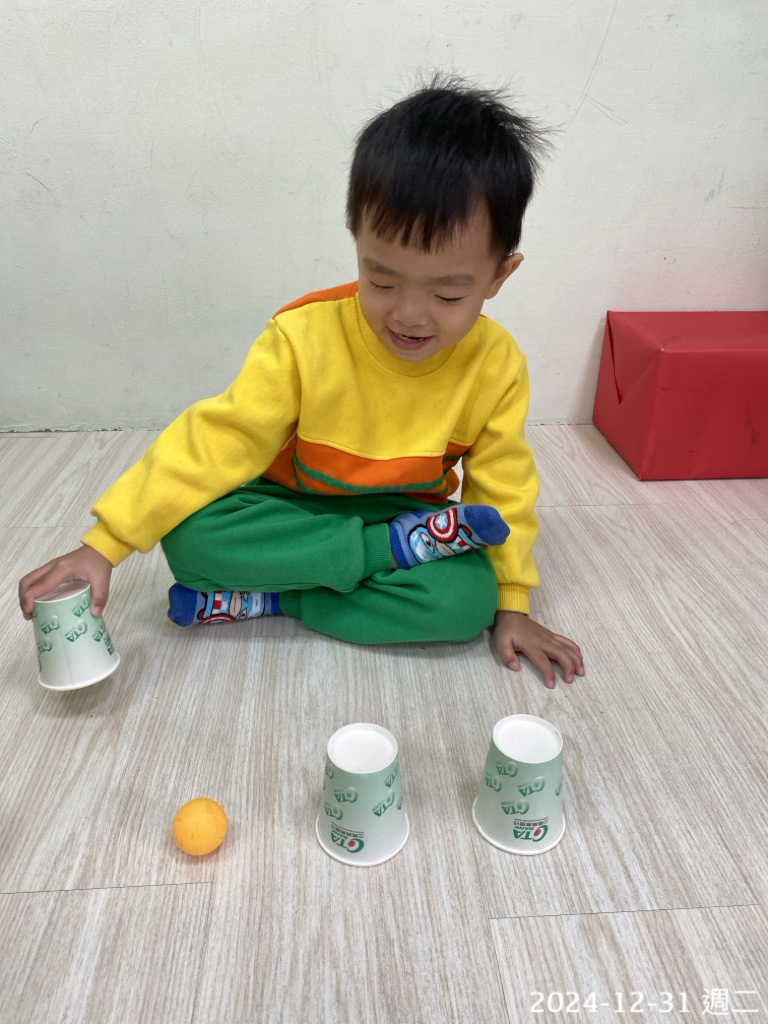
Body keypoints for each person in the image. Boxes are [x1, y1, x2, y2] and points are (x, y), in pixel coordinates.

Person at [19, 76, 585, 689]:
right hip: (290, 507)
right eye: (382, 281)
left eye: (448, 294)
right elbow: (218, 440)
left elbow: (503, 486)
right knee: (188, 537)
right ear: (355, 236)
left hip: (404, 512)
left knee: (467, 604)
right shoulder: (301, 336)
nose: (409, 315)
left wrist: (513, 604)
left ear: (500, 275)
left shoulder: (496, 365)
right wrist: (105, 544)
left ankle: (273, 599)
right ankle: (383, 554)